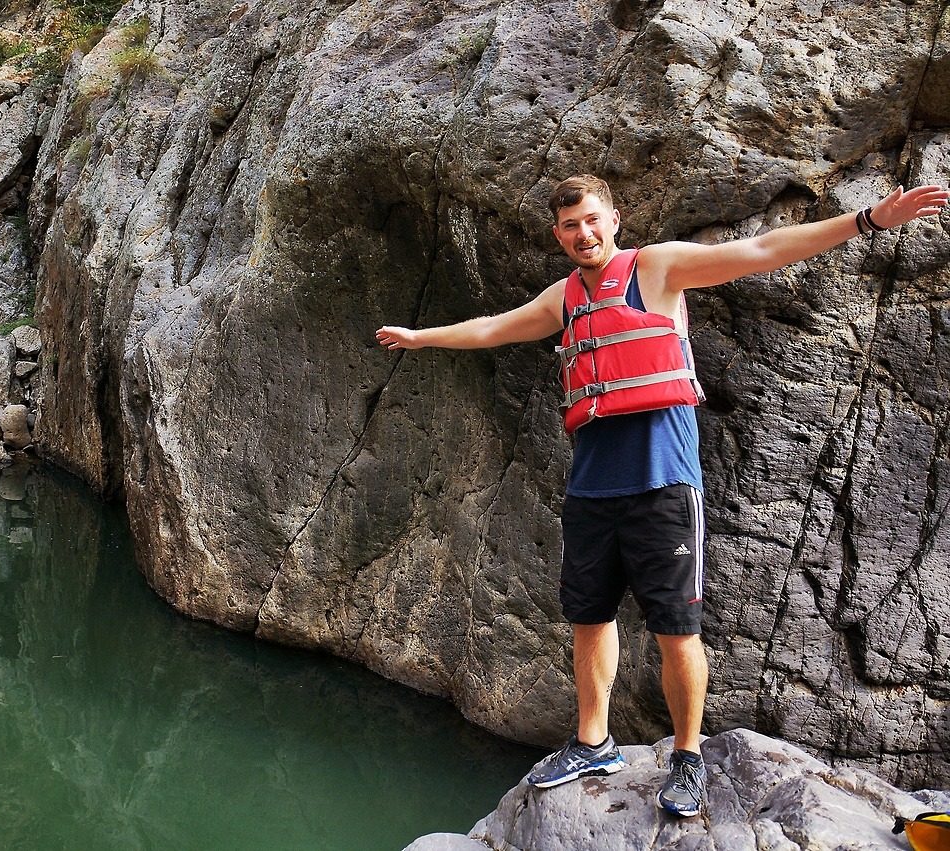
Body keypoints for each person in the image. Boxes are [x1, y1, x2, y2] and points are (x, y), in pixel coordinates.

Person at [376, 174, 948, 817]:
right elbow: (492, 329)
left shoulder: (658, 268)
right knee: (589, 617)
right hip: (592, 487)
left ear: (614, 220)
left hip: (664, 484)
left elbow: (763, 251)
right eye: (570, 225)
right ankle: (593, 743)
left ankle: (687, 757)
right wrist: (421, 337)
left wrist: (867, 220)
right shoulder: (564, 298)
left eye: (592, 219)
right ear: (558, 234)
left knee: (676, 629)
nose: (584, 234)